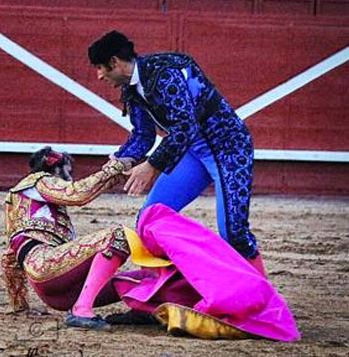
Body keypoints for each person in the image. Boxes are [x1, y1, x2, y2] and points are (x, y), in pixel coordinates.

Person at [87, 31, 266, 276]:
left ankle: (262, 301)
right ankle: (160, 291)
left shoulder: (165, 73)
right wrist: (121, 161)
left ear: (115, 62)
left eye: (100, 68)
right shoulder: (133, 88)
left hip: (228, 148)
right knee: (148, 221)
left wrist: (152, 166)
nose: (99, 76)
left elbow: (185, 126)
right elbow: (143, 135)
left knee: (234, 233)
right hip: (194, 152)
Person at [2, 146, 132, 330]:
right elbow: (77, 193)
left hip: (56, 294)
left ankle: (142, 309)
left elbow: (9, 261)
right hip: (48, 269)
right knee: (118, 235)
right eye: (66, 173)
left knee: (140, 280)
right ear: (55, 171)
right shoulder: (39, 180)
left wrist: (20, 307)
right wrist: (114, 167)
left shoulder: (24, 207)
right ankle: (81, 310)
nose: (70, 179)